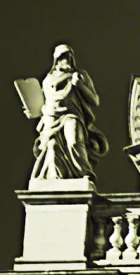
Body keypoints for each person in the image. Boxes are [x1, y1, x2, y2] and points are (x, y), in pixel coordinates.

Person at [30, 43, 106, 185]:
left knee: (74, 142)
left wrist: (80, 85)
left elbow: (95, 100)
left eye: (68, 57)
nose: (66, 61)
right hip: (51, 117)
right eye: (62, 57)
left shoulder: (80, 75)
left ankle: (84, 174)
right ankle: (54, 176)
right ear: (56, 60)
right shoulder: (48, 80)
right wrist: (31, 110)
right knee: (52, 146)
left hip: (72, 115)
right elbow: (42, 103)